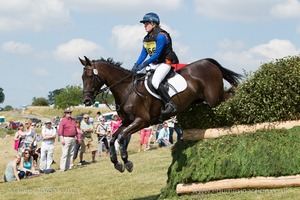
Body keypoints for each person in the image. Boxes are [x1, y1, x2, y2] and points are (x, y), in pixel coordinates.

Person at [132, 12, 179, 115]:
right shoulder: (146, 38)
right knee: (142, 80)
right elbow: (143, 54)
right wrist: (136, 65)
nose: (144, 25)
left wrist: (144, 64)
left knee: (155, 81)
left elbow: (157, 54)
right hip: (155, 63)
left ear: (153, 23)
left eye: (146, 23)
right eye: (144, 24)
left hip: (166, 62)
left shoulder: (161, 35)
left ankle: (170, 104)